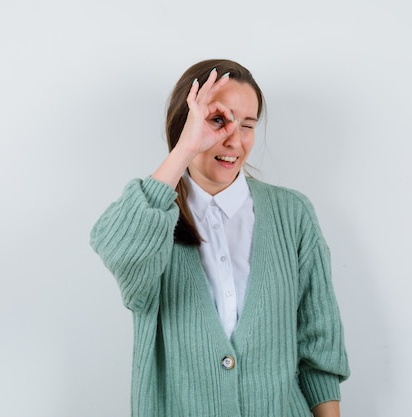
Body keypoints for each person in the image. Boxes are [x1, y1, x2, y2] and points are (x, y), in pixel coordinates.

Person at [90, 59, 350, 417]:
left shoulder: (293, 213)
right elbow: (118, 249)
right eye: (217, 121)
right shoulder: (153, 218)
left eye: (247, 125)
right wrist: (183, 151)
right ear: (188, 124)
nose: (234, 140)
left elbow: (318, 343)